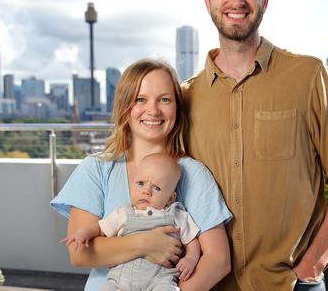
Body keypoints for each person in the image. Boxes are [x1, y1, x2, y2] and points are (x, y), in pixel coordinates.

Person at [183, 0, 328, 291]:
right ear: (207, 1)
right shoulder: (186, 96)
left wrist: (315, 259)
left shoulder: (308, 75)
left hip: (291, 284)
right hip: (210, 283)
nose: (236, 1)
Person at [52, 59, 232, 291]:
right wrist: (146, 243)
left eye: (164, 99)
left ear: (177, 107)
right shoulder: (96, 168)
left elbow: (218, 260)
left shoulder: (194, 174)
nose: (153, 110)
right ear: (125, 106)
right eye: (140, 99)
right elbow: (80, 254)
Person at [62, 153, 201, 290]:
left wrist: (190, 259)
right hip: (121, 278)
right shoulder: (122, 213)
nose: (146, 191)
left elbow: (191, 241)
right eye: (141, 183)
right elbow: (99, 228)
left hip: (160, 278)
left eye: (157, 188)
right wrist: (83, 233)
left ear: (171, 198)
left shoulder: (177, 215)